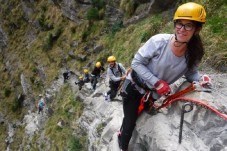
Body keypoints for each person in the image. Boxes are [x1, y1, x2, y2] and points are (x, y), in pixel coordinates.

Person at [118, 2, 211, 151]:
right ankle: (122, 144)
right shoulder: (158, 42)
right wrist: (157, 83)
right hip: (134, 87)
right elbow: (136, 63)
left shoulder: (194, 52)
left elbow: (191, 73)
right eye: (179, 24)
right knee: (130, 122)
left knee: (139, 113)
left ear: (197, 29)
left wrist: (200, 80)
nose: (182, 29)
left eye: (188, 25)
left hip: (152, 94)